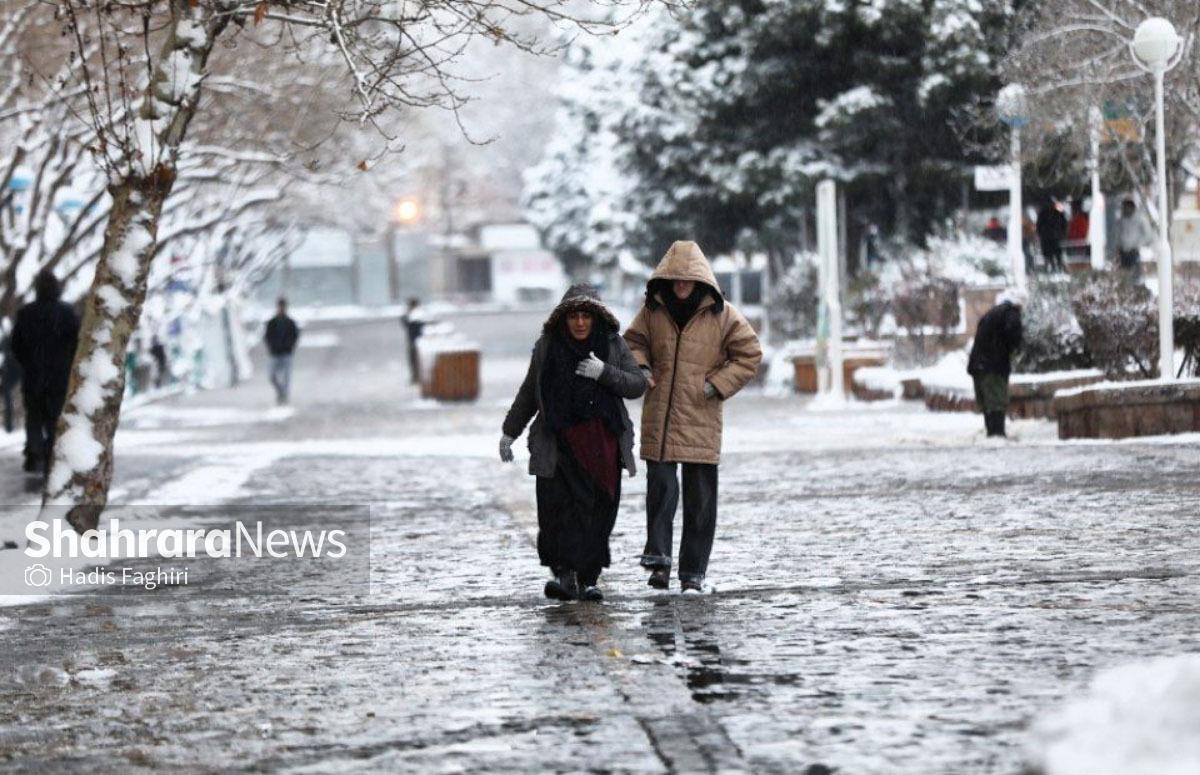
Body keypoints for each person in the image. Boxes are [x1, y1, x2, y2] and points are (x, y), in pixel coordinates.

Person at [624, 241, 763, 594]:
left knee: (700, 501)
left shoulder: (723, 314)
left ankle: (693, 574)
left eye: (688, 279)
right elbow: (632, 343)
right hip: (662, 417)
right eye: (675, 279)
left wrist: (716, 386)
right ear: (666, 279)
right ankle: (659, 562)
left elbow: (749, 354)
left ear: (701, 279)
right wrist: (641, 367)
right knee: (661, 490)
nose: (681, 285)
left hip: (701, 417)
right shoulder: (652, 311)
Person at [500, 284, 646, 602]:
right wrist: (509, 431)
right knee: (556, 514)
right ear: (563, 319)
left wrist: (604, 372)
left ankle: (589, 578)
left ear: (596, 318)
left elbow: (637, 384)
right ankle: (565, 576)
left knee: (595, 513)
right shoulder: (547, 347)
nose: (580, 323)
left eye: (586, 316)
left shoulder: (611, 344)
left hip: (601, 447)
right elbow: (529, 393)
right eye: (574, 316)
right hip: (557, 445)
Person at [11, 270, 80, 474]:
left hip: (33, 374)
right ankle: (51, 452)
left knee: (34, 415)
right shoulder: (67, 313)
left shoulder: (26, 313)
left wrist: (28, 362)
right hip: (59, 375)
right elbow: (76, 343)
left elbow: (16, 345)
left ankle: (34, 451)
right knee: (54, 416)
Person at [967, 288, 1025, 439]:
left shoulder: (991, 313)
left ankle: (991, 434)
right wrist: (1015, 347)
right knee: (997, 403)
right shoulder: (1010, 313)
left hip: (978, 365)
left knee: (987, 404)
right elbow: (1013, 334)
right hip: (993, 366)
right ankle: (997, 435)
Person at [264, 298, 299, 405]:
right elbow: (267, 336)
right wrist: (271, 346)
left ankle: (284, 396)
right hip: (275, 353)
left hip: (286, 353)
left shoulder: (290, 322)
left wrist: (289, 346)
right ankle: (281, 392)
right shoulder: (271, 322)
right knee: (272, 375)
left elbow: (295, 336)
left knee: (286, 377)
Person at [1115, 198, 1150, 277]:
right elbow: (1117, 234)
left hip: (1133, 251)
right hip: (1122, 251)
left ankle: (1135, 284)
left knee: (1134, 272)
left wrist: (1138, 243)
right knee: (1122, 272)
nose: (1125, 210)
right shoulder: (1120, 220)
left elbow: (1147, 234)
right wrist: (1118, 245)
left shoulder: (1139, 220)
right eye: (1123, 208)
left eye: (1126, 207)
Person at [1036, 197, 1067, 272]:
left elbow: (1064, 225)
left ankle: (1057, 267)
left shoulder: (1058, 214)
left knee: (1056, 255)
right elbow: (1039, 226)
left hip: (1054, 238)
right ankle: (1053, 267)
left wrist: (1062, 233)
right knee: (1050, 255)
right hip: (1049, 238)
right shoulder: (1043, 214)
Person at [401, 297, 426, 385]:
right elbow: (404, 323)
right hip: (413, 340)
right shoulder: (410, 315)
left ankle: (418, 377)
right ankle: (415, 377)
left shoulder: (419, 315)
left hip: (419, 341)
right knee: (413, 360)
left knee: (417, 360)